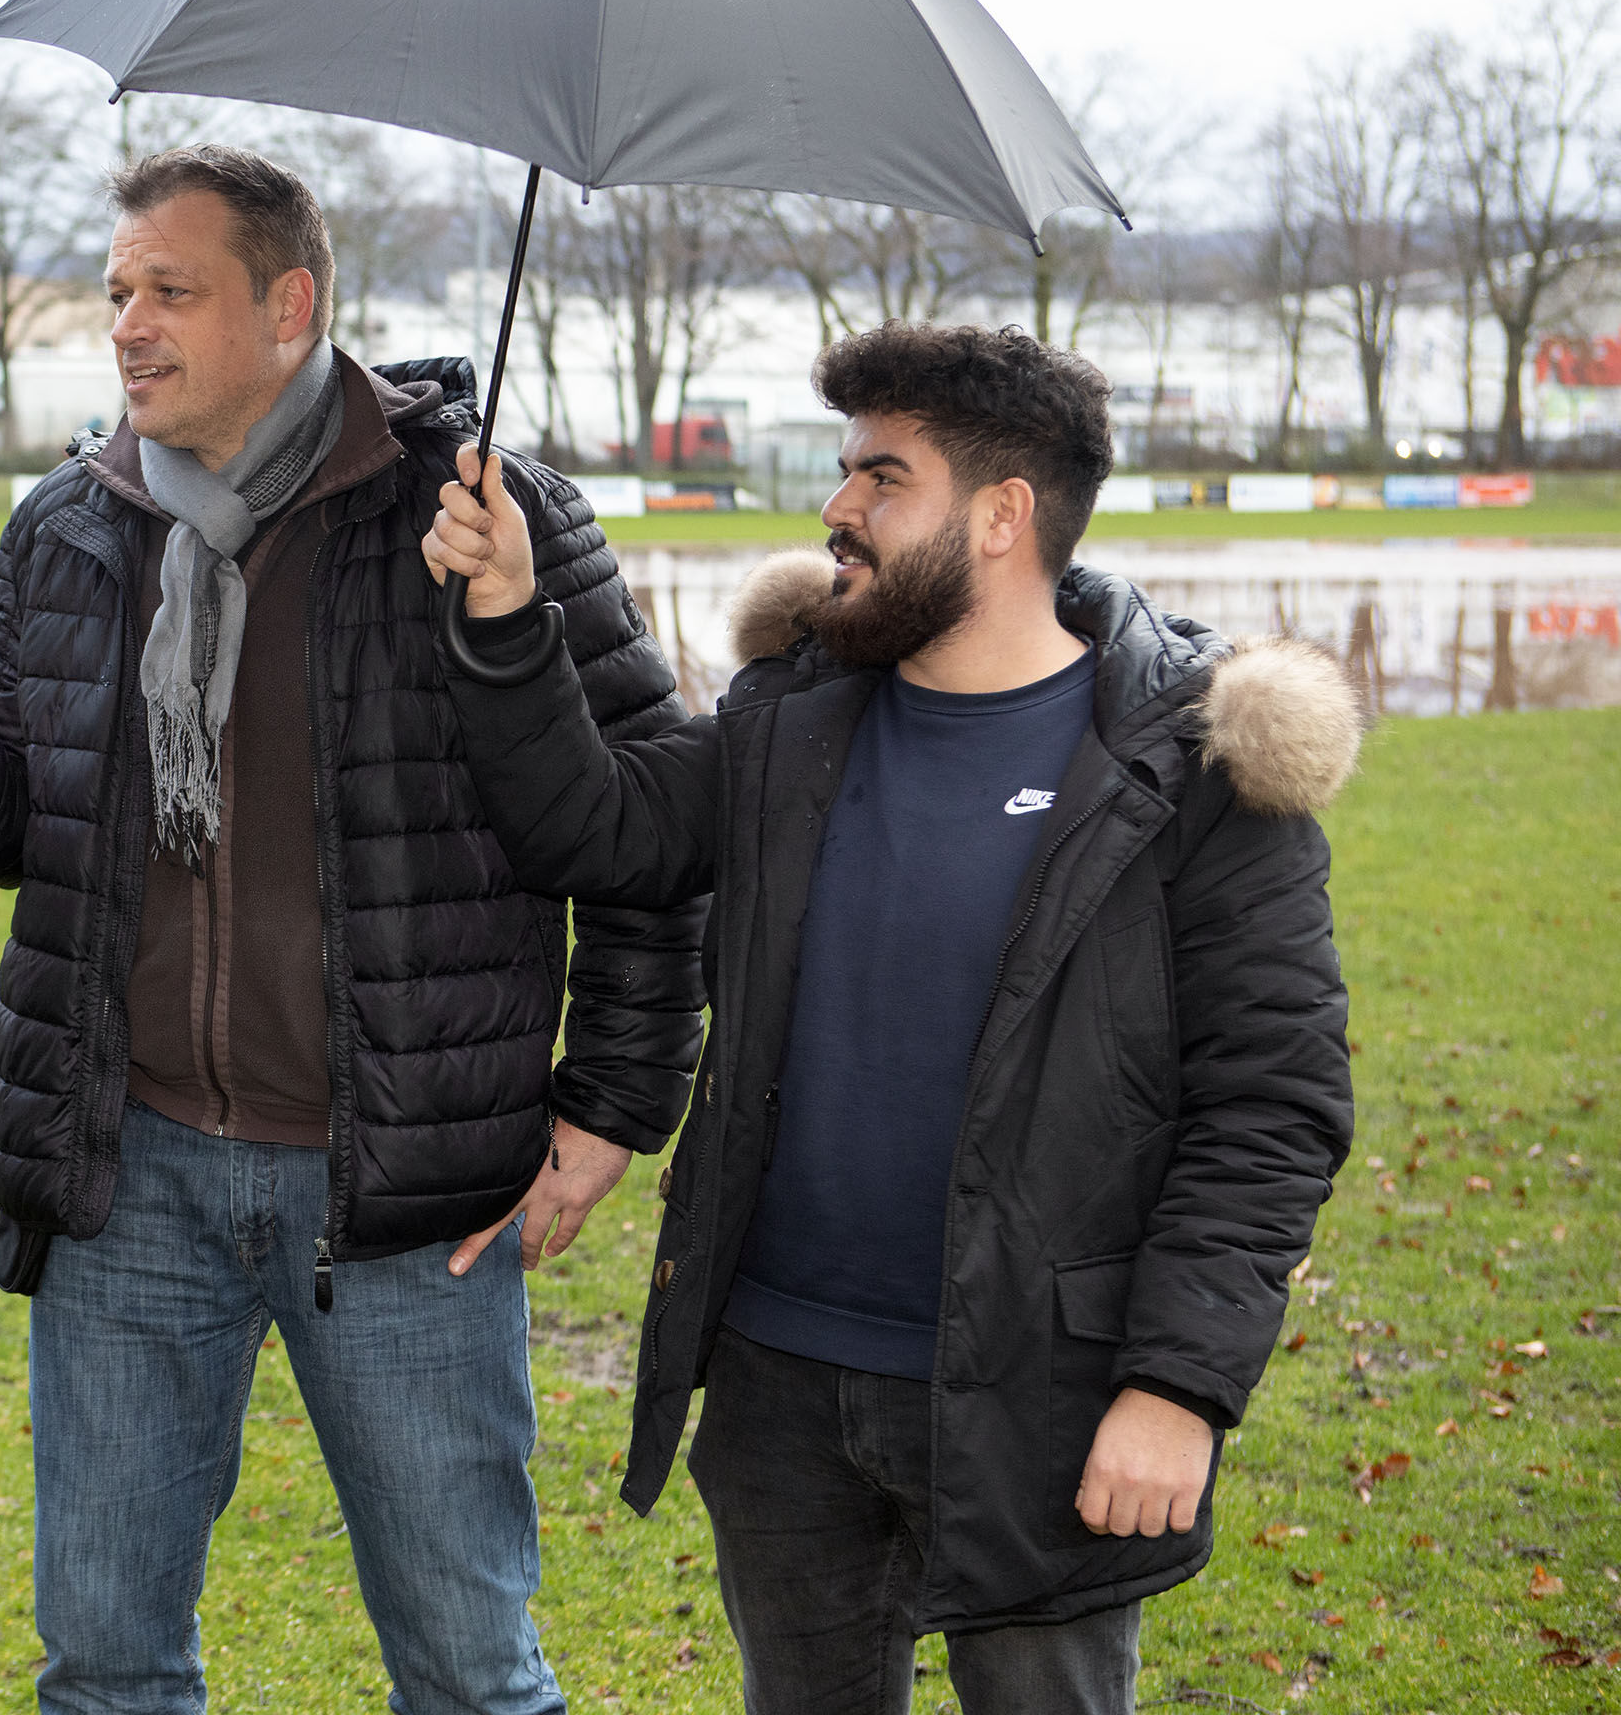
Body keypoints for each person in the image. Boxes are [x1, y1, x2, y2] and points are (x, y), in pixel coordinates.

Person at [0, 145, 704, 1715]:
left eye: (172, 291)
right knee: (104, 1668)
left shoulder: (486, 520)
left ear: (289, 305)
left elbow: (646, 837)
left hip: (402, 1190)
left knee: (468, 1667)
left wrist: (610, 1108)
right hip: (126, 1178)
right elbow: (30, 825)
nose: (129, 326)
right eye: (118, 292)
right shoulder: (68, 527)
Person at [422, 321, 1359, 1715]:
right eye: (847, 471)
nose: (838, 509)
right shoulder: (789, 717)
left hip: (1039, 1395)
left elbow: (1271, 1109)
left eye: (881, 476)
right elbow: (600, 831)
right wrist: (506, 617)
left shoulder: (1184, 768)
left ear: (1000, 517)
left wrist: (1178, 1388)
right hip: (778, 1388)